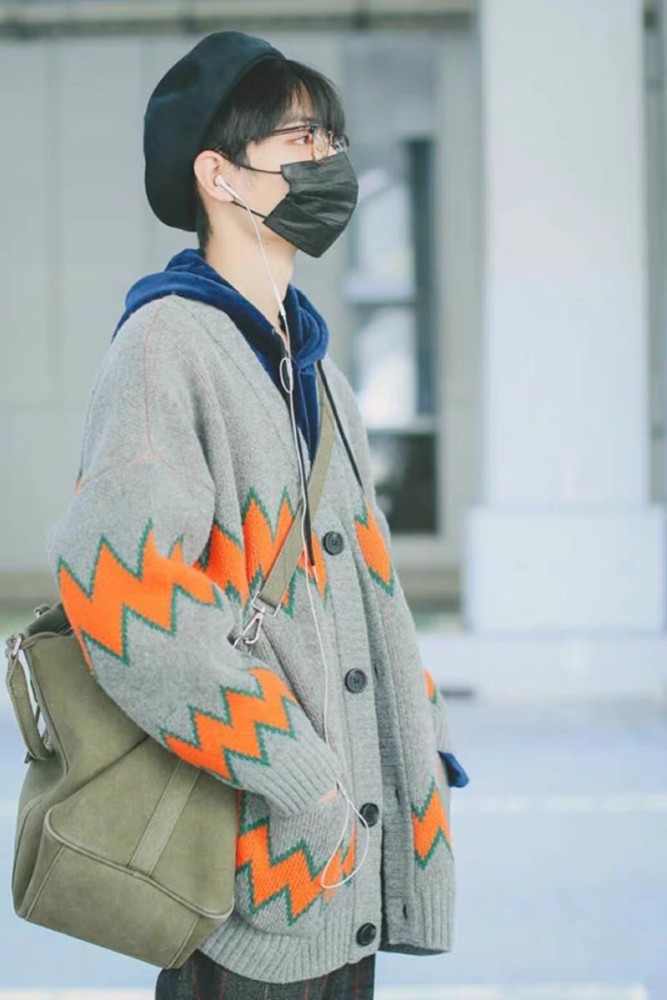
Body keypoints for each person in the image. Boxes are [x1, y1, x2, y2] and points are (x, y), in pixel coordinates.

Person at [45, 29, 468, 1000]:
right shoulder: (166, 348)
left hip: (340, 876)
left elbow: (370, 586)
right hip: (254, 878)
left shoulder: (310, 363)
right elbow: (122, 592)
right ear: (218, 175)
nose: (330, 161)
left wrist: (421, 736)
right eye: (300, 139)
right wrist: (299, 777)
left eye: (333, 139)